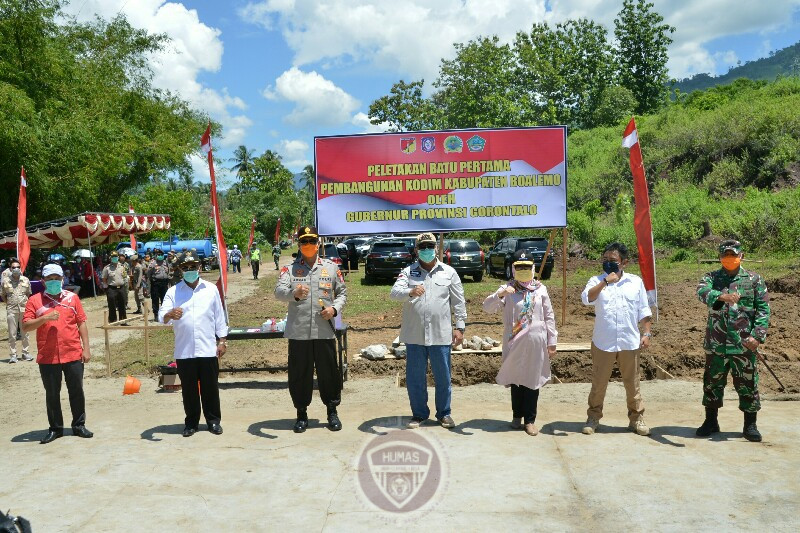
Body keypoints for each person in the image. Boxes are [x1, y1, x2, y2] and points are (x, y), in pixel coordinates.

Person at [696, 239, 770, 442]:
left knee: (747, 383)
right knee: (712, 383)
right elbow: (701, 292)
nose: (730, 259)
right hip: (716, 343)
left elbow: (763, 309)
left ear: (742, 256)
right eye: (726, 255)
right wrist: (722, 296)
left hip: (744, 343)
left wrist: (758, 336)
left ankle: (750, 425)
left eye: (733, 255)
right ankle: (710, 421)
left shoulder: (754, 280)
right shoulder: (711, 277)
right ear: (720, 257)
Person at [390, 232, 466, 430]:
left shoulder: (449, 272)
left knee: (443, 376)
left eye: (429, 246)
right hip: (415, 334)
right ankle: (419, 414)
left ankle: (444, 413)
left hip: (441, 334)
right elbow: (394, 293)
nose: (426, 250)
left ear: (435, 248)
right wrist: (410, 291)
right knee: (415, 377)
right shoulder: (408, 272)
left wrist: (460, 327)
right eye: (422, 247)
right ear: (416, 250)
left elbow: (458, 302)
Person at [274, 226, 347, 433]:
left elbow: (342, 293)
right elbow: (278, 292)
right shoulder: (289, 269)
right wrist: (294, 293)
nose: (308, 246)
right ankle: (301, 413)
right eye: (304, 242)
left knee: (329, 373)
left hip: (324, 330)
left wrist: (334, 309)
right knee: (299, 374)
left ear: (318, 244)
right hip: (299, 331)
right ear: (299, 245)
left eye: (311, 242)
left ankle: (332, 411)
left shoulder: (331, 268)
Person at [580, 242, 653, 436]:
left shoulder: (635, 282)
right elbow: (587, 298)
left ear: (624, 262)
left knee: (632, 382)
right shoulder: (596, 280)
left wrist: (646, 333)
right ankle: (593, 418)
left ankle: (636, 419)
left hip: (629, 341)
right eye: (605, 260)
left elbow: (643, 311)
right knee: (599, 382)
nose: (608, 263)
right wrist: (605, 281)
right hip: (603, 342)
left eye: (613, 260)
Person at [483, 250, 557, 436]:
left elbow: (548, 316)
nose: (523, 270)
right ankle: (517, 417)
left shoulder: (541, 289)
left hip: (535, 342)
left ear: (533, 268)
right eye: (519, 267)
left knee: (532, 381)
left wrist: (552, 341)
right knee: (516, 380)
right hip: (514, 343)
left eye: (527, 267)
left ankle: (530, 420)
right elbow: (487, 308)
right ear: (513, 269)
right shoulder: (507, 289)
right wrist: (500, 294)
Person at [22, 264, 93, 444]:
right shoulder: (35, 300)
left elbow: (81, 323)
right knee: (52, 393)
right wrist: (44, 317)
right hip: (48, 356)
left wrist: (86, 348)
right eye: (50, 278)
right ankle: (55, 428)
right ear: (43, 281)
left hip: (73, 352)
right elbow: (26, 326)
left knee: (76, 391)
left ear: (62, 279)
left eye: (57, 278)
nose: (54, 281)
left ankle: (79, 425)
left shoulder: (72, 298)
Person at [159, 253, 228, 437]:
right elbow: (162, 316)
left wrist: (222, 340)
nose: (190, 270)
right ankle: (191, 423)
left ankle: (213, 421)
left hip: (207, 348)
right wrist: (170, 314)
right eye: (186, 267)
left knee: (210, 387)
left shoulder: (211, 289)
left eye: (193, 267)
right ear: (180, 269)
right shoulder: (173, 292)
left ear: (199, 267)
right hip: (185, 349)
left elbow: (219, 317)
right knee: (189, 390)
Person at [2, 259, 33, 363]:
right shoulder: (5, 281)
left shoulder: (25, 280)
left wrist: (24, 303)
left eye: (18, 267)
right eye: (13, 267)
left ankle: (25, 353)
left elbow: (28, 293)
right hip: (11, 309)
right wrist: (9, 303)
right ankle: (13, 355)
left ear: (20, 268)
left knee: (25, 333)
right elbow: (3, 295)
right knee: (12, 334)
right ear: (10, 269)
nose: (16, 269)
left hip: (24, 309)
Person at [101, 251, 127, 324]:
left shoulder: (122, 266)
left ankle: (123, 320)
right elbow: (104, 278)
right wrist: (106, 286)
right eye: (113, 257)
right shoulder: (107, 268)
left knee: (122, 304)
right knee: (112, 304)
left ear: (118, 257)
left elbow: (124, 276)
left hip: (121, 287)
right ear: (111, 258)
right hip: (112, 288)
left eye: (116, 256)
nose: (114, 258)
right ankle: (113, 320)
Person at [148, 249, 170, 317]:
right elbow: (148, 273)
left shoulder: (165, 263)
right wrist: (152, 280)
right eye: (159, 255)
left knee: (164, 299)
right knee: (155, 299)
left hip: (164, 283)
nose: (160, 256)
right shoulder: (153, 263)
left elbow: (168, 271)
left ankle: (164, 314)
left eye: (161, 255)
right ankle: (156, 314)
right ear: (156, 255)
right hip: (156, 283)